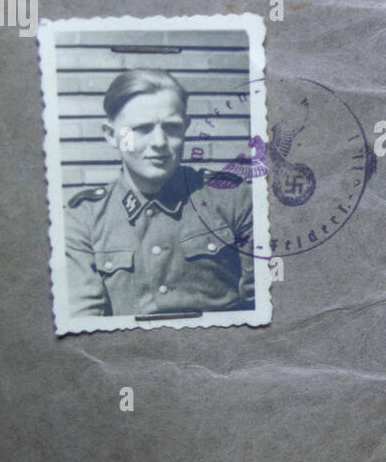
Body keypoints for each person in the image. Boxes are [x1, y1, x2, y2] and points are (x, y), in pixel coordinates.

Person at [63, 67, 255, 317]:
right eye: (142, 129)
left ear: (186, 127)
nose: (160, 143)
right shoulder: (84, 218)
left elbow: (263, 305)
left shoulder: (233, 198)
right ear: (112, 135)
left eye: (172, 128)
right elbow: (83, 321)